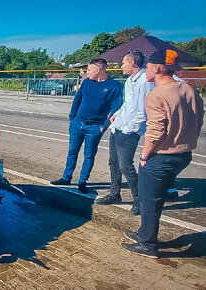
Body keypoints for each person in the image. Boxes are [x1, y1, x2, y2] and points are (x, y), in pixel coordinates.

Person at [122, 49, 204, 258]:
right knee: (155, 197)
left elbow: (156, 131)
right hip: (183, 154)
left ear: (158, 68)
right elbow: (198, 120)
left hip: (162, 155)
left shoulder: (157, 94)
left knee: (150, 201)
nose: (146, 69)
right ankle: (144, 233)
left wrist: (144, 155)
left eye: (148, 66)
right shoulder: (189, 90)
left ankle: (148, 244)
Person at [95, 50, 154, 216]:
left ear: (133, 64)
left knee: (126, 166)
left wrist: (128, 129)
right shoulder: (130, 81)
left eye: (123, 63)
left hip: (130, 130)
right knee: (113, 163)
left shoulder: (145, 81)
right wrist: (116, 115)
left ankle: (139, 200)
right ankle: (115, 193)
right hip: (119, 126)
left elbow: (143, 111)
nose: (121, 66)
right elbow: (128, 105)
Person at [51, 58, 123, 193]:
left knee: (89, 155)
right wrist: (72, 117)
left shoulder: (114, 86)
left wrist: (104, 126)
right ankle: (66, 177)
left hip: (95, 127)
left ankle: (82, 181)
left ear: (99, 70)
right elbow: (77, 99)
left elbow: (116, 109)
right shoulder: (87, 83)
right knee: (72, 152)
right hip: (77, 123)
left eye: (89, 70)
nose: (87, 72)